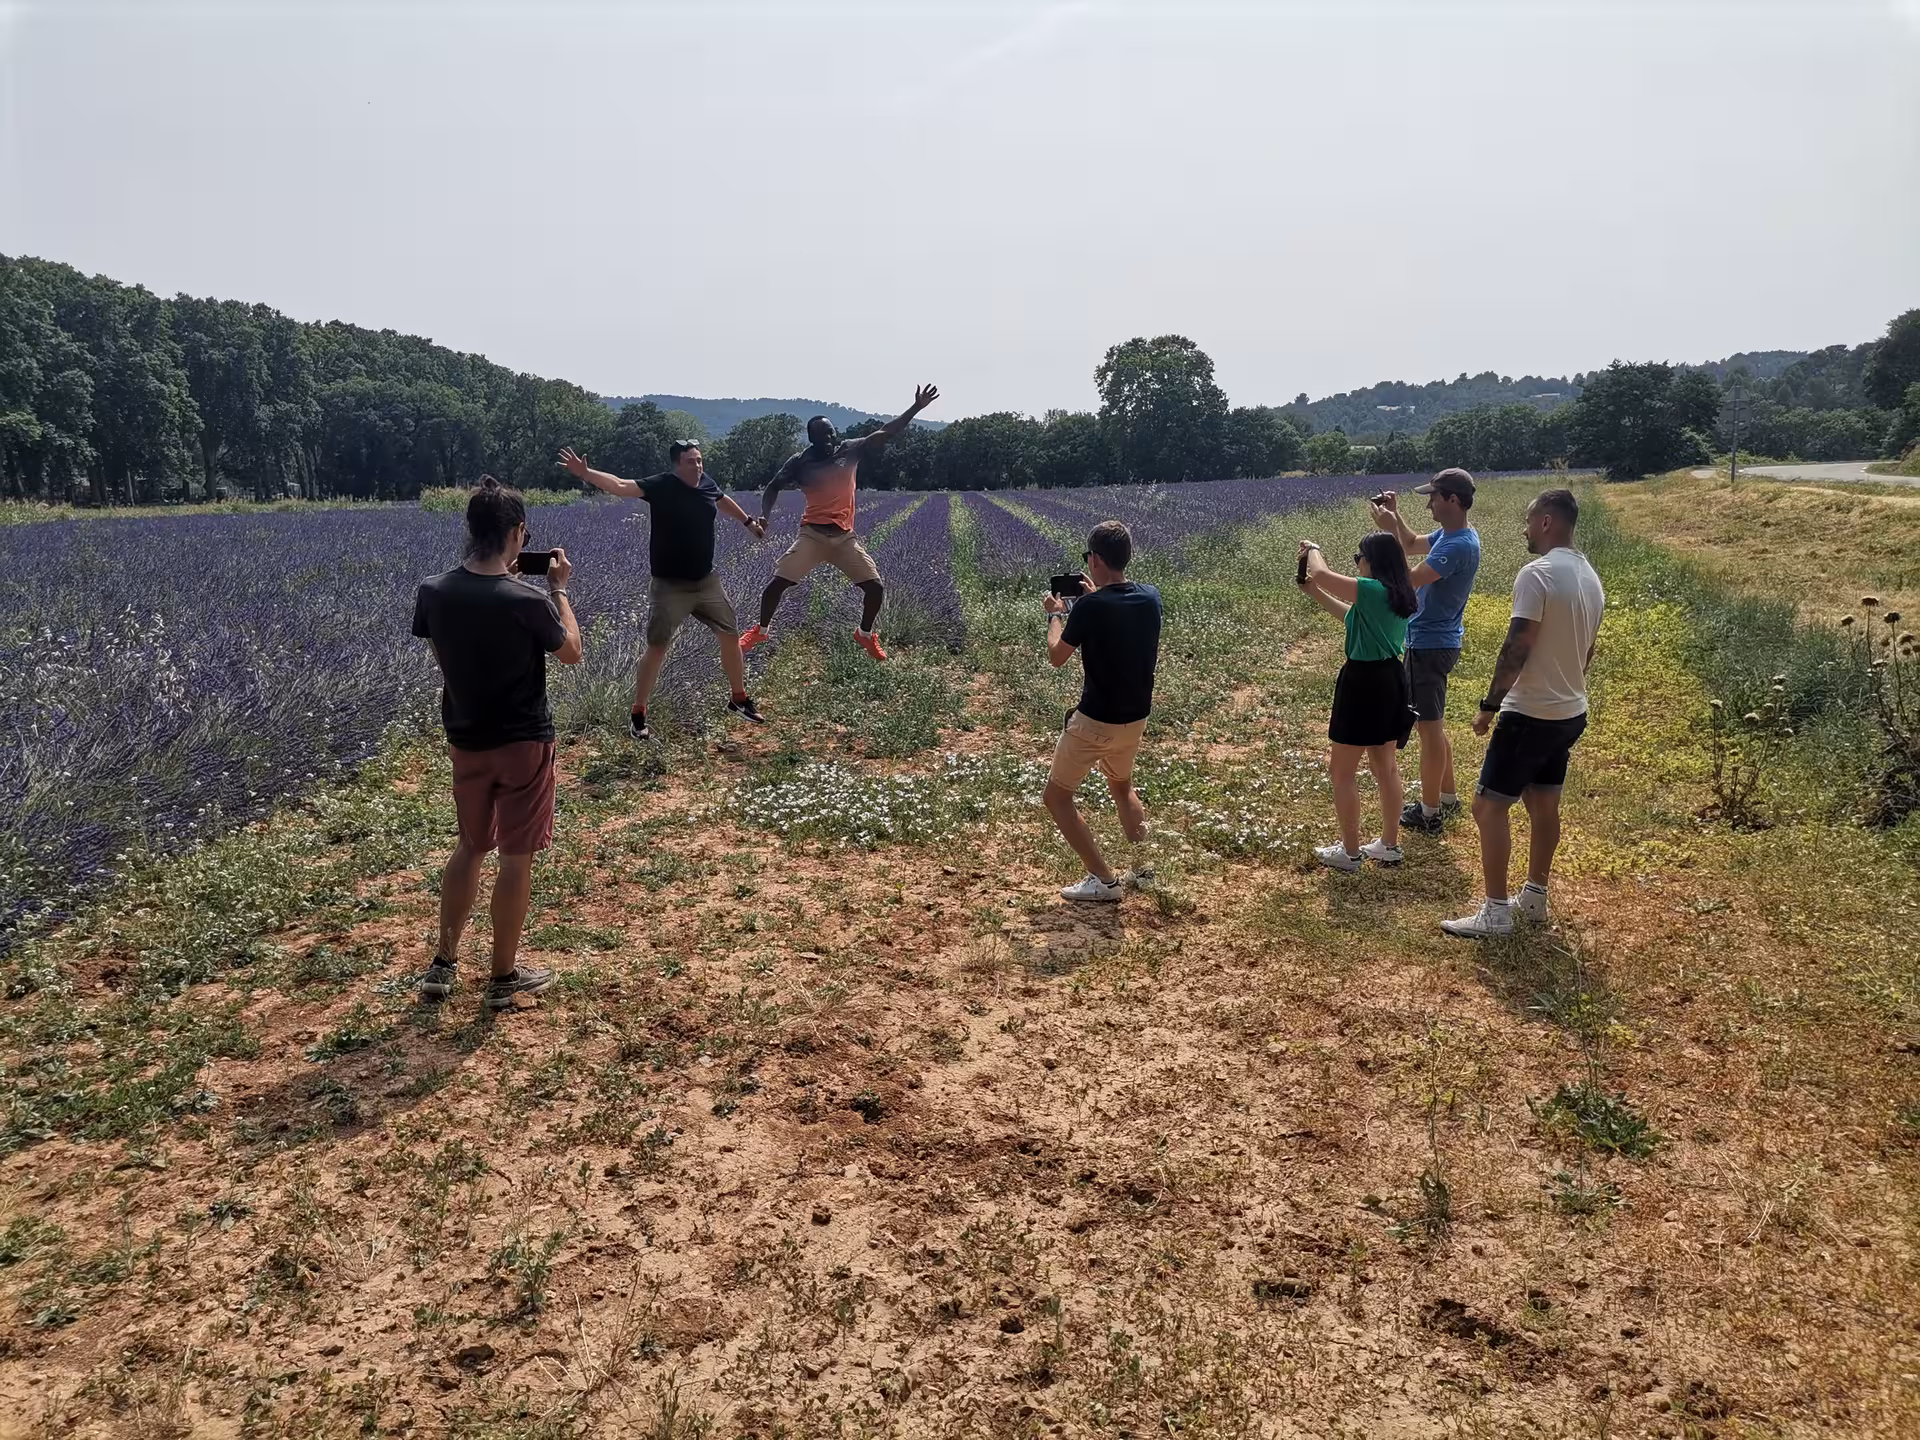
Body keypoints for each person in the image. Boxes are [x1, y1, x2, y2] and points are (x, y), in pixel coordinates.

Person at [411, 477, 583, 1009]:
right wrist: (559, 589)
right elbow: (572, 652)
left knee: (470, 846)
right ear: (517, 533)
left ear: (472, 531)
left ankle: (443, 964)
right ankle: (503, 978)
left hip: (466, 739)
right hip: (524, 742)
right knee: (515, 857)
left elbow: (444, 661)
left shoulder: (433, 591)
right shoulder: (526, 599)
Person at [1443, 488, 1605, 939]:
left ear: (1548, 522)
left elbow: (1518, 645)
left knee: (1487, 807)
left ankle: (1495, 911)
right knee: (1542, 802)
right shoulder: (1590, 576)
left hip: (1530, 713)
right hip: (1570, 711)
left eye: (1531, 520)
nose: (1526, 529)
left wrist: (1489, 706)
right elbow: (1588, 649)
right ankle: (1534, 898)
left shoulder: (1538, 575)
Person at [556, 439, 767, 740]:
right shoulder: (662, 486)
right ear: (677, 465)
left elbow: (721, 499)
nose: (698, 466)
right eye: (691, 461)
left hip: (706, 581)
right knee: (657, 648)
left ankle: (739, 697)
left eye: (699, 460)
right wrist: (586, 473)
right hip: (670, 586)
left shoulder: (706, 483)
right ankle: (638, 714)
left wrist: (748, 522)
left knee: (730, 634)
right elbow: (619, 485)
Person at [737, 385, 940, 662]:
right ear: (812, 439)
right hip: (812, 535)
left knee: (875, 588)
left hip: (844, 537)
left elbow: (886, 432)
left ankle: (865, 634)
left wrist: (916, 407)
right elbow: (773, 487)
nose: (831, 438)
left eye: (832, 432)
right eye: (824, 435)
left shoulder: (850, 449)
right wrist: (765, 516)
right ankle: (760, 631)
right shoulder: (800, 462)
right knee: (776, 585)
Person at [1041, 521, 1162, 902]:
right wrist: (1091, 599)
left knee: (1056, 798)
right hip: (1135, 719)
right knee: (1122, 788)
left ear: (1093, 559)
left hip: (1095, 720)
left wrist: (1055, 615)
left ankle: (1102, 880)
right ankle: (1144, 870)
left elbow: (1057, 656)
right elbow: (1117, 610)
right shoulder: (1150, 597)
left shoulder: (1089, 607)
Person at [1369, 468, 1482, 834]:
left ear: (1452, 499)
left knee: (1428, 730)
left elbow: (1410, 579)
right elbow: (1413, 542)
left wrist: (1385, 535)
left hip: (1429, 645)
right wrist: (1395, 519)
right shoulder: (1453, 536)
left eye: (1434, 496)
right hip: (1438, 641)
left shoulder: (1457, 546)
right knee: (1433, 726)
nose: (1430, 503)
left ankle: (1429, 812)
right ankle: (1446, 797)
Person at [1297, 532, 1419, 871]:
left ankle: (1350, 852)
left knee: (1342, 771)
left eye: (1359, 557)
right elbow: (1348, 616)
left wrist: (1314, 549)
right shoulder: (1395, 594)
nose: (1357, 563)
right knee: (1385, 767)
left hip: (1362, 682)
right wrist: (1313, 592)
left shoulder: (1371, 590)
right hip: (1390, 680)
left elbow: (1321, 573)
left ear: (1373, 561)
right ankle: (1389, 844)